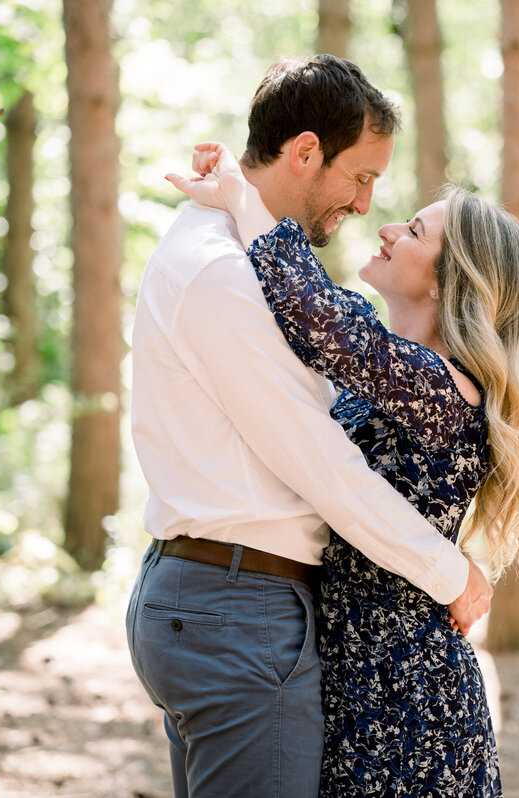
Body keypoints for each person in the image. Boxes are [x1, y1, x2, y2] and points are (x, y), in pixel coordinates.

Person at [126, 55, 495, 798]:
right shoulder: (223, 272)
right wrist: (452, 573)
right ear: (304, 153)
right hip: (239, 613)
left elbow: (322, 320)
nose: (368, 208)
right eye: (361, 177)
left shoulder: (423, 375)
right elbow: (321, 462)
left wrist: (240, 199)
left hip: (302, 639)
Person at [167, 140, 519, 796]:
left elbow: (321, 320)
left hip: (409, 701)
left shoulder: (445, 392)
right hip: (347, 680)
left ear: (446, 278)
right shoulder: (385, 382)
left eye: (413, 230)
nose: (385, 227)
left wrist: (244, 197)